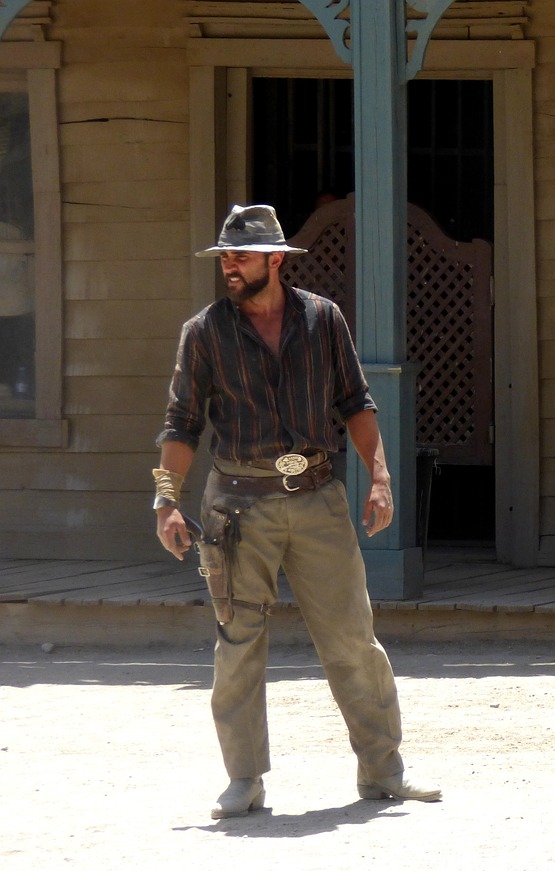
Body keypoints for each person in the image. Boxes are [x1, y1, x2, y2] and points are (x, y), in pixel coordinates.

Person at [153, 203, 441, 819]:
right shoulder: (204, 333)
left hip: (317, 497)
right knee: (238, 643)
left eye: (241, 256)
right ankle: (244, 780)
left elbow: (356, 403)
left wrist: (381, 477)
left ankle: (383, 770)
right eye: (225, 256)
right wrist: (165, 500)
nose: (229, 266)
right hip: (236, 506)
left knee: (351, 638)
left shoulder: (322, 320)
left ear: (275, 261)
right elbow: (181, 423)